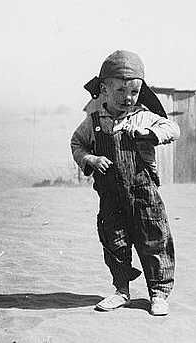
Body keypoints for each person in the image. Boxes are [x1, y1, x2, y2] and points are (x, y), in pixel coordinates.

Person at [70, 50, 180, 316]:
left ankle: (158, 294)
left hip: (144, 194)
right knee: (114, 242)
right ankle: (122, 291)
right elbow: (77, 144)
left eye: (134, 92)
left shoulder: (143, 116)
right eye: (120, 91)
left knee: (154, 240)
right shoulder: (94, 122)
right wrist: (91, 159)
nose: (127, 98)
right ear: (104, 89)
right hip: (111, 196)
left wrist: (149, 134)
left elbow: (172, 129)